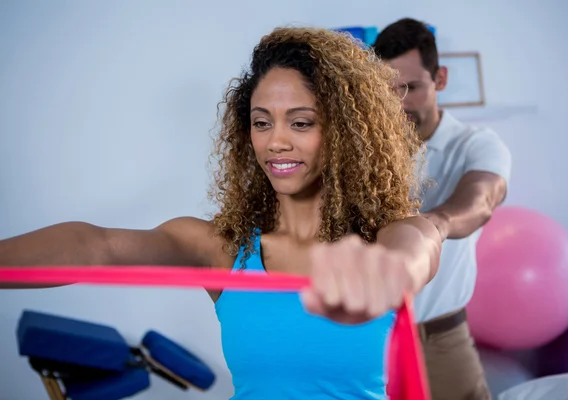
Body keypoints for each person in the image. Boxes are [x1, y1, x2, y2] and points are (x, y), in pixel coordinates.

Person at [0, 27, 443, 399]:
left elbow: (413, 254)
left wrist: (383, 277)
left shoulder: (393, 236)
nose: (276, 142)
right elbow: (96, 246)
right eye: (262, 121)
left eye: (301, 122)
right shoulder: (223, 248)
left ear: (344, 132)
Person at [372, 18, 512, 400]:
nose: (399, 102)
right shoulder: (364, 152)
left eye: (412, 87)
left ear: (441, 79)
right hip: (363, 342)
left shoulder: (477, 144)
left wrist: (433, 225)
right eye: (389, 90)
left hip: (438, 338)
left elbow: (481, 200)